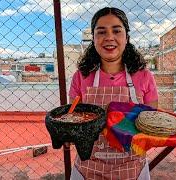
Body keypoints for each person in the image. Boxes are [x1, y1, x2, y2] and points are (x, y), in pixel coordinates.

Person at [69, 7, 158, 180]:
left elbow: (150, 125)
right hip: (88, 168)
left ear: (127, 37)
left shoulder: (144, 77)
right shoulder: (81, 77)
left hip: (132, 169)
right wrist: (69, 134)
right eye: (101, 32)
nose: (109, 37)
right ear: (93, 39)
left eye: (116, 30)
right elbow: (74, 122)